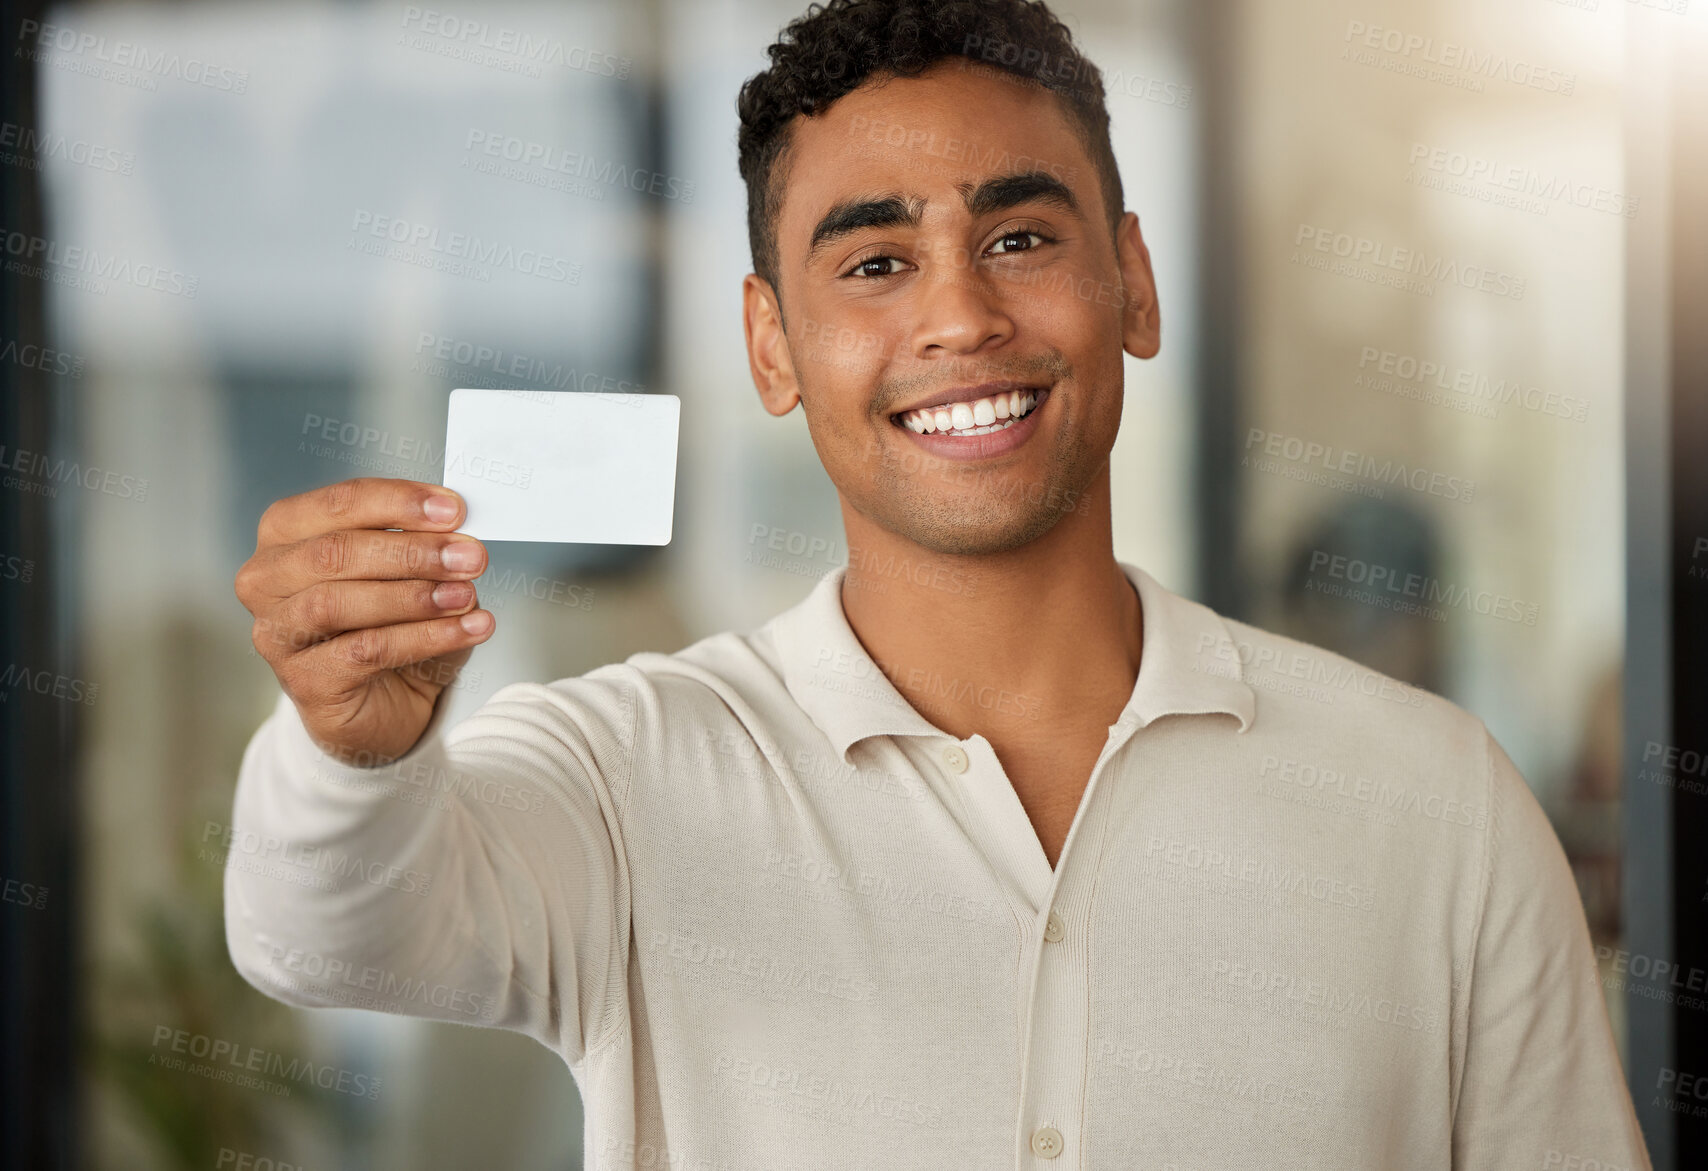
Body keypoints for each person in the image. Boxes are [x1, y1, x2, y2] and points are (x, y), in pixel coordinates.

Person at [227, 1, 1651, 1167]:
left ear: (1135, 285)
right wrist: (353, 755)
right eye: (875, 260)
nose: (962, 315)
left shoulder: (1436, 804)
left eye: (1021, 239)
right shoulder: (625, 773)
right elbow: (324, 935)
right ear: (772, 348)